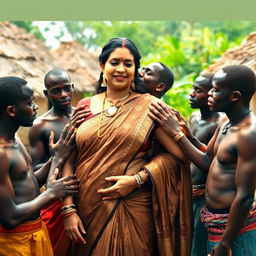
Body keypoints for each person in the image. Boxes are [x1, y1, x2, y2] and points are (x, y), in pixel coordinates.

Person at [61, 37, 192, 256]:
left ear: (135, 69)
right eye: (114, 63)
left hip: (130, 209)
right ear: (103, 66)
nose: (121, 69)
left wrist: (137, 179)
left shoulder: (150, 107)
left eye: (128, 64)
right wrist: (68, 209)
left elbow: (180, 157)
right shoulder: (84, 106)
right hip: (84, 211)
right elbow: (68, 159)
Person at [148, 65, 256, 256]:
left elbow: (244, 196)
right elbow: (207, 161)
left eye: (216, 89)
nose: (210, 94)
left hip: (236, 233)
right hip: (214, 225)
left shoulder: (249, 134)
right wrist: (185, 135)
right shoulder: (226, 123)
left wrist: (225, 244)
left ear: (235, 96)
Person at [0, 76, 79, 256]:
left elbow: (28, 182)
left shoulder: (16, 139)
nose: (36, 107)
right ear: (12, 110)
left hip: (36, 232)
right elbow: (9, 217)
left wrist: (56, 158)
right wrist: (50, 193)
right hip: (14, 242)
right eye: (30, 103)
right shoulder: (2, 153)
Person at [28, 68, 89, 254]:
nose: (63, 94)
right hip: (59, 198)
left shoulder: (85, 116)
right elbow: (34, 168)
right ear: (47, 93)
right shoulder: (40, 125)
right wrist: (58, 157)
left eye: (67, 88)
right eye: (56, 90)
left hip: (88, 190)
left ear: (72, 87)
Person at [188, 73, 223, 256]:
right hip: (187, 193)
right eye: (193, 88)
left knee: (199, 245)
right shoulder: (194, 117)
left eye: (198, 90)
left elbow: (212, 163)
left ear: (212, 93)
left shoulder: (219, 123)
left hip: (203, 196)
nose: (191, 94)